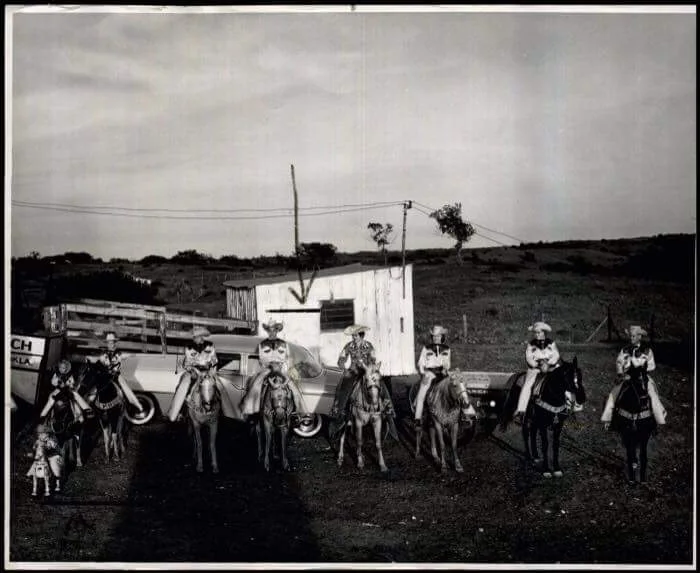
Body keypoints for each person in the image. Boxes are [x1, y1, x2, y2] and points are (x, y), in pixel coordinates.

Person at [240, 318, 308, 421]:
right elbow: (261, 359)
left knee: (293, 387)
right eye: (269, 330)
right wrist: (270, 365)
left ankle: (299, 411)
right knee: (255, 384)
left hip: (281, 369)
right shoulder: (262, 345)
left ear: (277, 331)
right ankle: (250, 410)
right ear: (267, 331)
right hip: (268, 369)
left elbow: (287, 358)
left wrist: (281, 367)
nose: (272, 332)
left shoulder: (284, 344)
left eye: (274, 330)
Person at [601, 325, 667, 427]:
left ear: (639, 337)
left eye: (634, 336)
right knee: (614, 393)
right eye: (631, 336)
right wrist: (621, 373)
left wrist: (641, 370)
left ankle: (657, 419)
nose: (631, 338)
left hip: (642, 377)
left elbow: (651, 365)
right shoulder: (625, 350)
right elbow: (619, 362)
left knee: (652, 394)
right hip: (627, 377)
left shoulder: (647, 351)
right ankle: (609, 420)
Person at [167, 327, 238, 422]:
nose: (198, 338)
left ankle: (225, 413)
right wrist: (193, 369)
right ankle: (180, 411)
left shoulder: (210, 346)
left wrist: (213, 368)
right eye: (196, 337)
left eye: (200, 336)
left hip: (208, 370)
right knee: (184, 385)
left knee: (220, 386)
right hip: (194, 371)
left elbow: (214, 359)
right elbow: (187, 362)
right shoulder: (189, 348)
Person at [330, 325, 395, 426]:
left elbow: (373, 359)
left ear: (361, 336)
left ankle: (388, 410)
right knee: (344, 387)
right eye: (353, 336)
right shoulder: (349, 346)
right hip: (353, 371)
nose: (353, 338)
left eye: (355, 336)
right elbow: (341, 358)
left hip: (367, 371)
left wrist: (369, 368)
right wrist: (343, 366)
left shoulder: (369, 346)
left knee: (380, 384)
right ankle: (340, 412)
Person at [514, 321, 561, 420]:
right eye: (535, 333)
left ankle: (571, 406)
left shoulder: (551, 343)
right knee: (527, 385)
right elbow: (529, 358)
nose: (536, 335)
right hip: (536, 368)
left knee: (563, 380)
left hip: (550, 367)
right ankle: (521, 411)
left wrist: (549, 363)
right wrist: (537, 364)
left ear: (544, 333)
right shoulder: (531, 345)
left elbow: (556, 355)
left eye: (539, 332)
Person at [93, 332, 145, 416]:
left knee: (125, 388)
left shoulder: (119, 354)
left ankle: (136, 405)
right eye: (109, 342)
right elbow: (99, 363)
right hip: (105, 375)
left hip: (115, 375)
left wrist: (133, 355)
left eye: (112, 342)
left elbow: (127, 356)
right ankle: (91, 407)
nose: (111, 344)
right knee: (94, 387)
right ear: (107, 343)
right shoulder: (103, 354)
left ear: (115, 343)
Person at [414, 325, 451, 427]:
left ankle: (455, 413)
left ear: (442, 336)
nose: (436, 338)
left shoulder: (447, 349)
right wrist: (423, 372)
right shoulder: (426, 348)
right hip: (429, 372)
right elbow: (421, 363)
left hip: (442, 373)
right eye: (434, 336)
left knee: (453, 388)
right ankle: (417, 418)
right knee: (422, 394)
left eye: (438, 336)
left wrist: (445, 368)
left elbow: (447, 362)